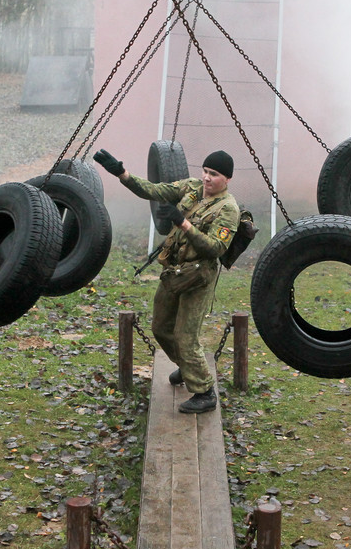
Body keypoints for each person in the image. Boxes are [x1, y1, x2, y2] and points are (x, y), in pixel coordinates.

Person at [93, 148, 240, 414]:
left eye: (214, 174)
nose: (207, 178)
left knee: (186, 336)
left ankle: (205, 392)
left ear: (227, 179)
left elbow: (215, 248)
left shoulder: (228, 209)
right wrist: (121, 173)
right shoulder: (192, 187)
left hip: (199, 277)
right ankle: (188, 367)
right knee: (160, 327)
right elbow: (153, 190)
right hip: (174, 271)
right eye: (205, 171)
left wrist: (183, 223)